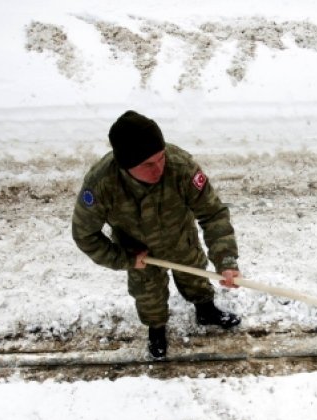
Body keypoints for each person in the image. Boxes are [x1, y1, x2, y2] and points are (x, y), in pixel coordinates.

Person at [72, 110, 241, 360]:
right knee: (148, 296)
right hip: (139, 256)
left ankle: (205, 310)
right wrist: (124, 259)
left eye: (161, 157)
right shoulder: (102, 184)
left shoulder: (181, 167)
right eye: (148, 164)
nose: (159, 168)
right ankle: (157, 330)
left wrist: (226, 261)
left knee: (195, 277)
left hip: (181, 240)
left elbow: (213, 213)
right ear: (126, 165)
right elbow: (84, 235)